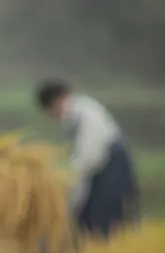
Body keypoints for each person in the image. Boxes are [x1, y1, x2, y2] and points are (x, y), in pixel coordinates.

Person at [35, 79, 140, 239]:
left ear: (58, 101)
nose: (52, 116)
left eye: (50, 110)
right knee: (88, 221)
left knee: (106, 223)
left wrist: (69, 191)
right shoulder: (73, 118)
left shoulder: (85, 114)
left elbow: (87, 159)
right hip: (100, 170)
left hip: (111, 169)